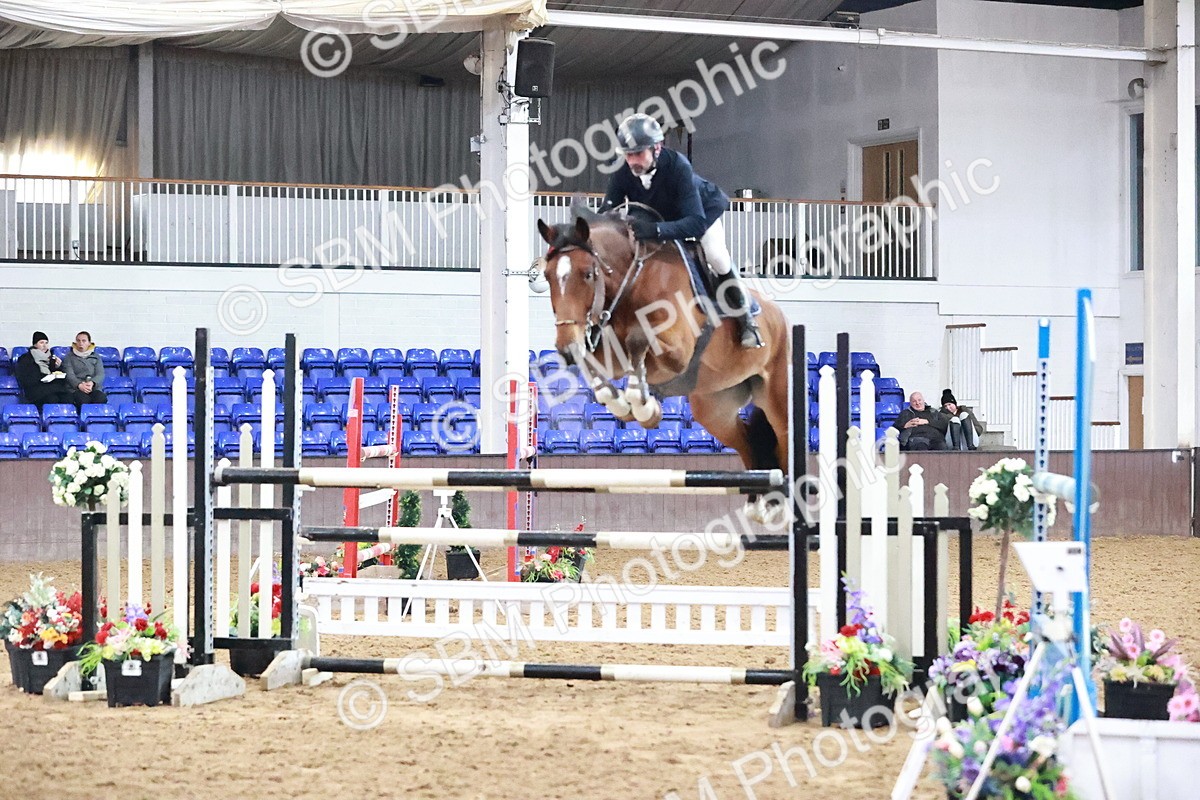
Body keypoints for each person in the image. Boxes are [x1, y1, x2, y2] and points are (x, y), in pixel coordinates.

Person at [601, 113, 763, 349]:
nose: (632, 160)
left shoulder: (678, 167)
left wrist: (655, 230)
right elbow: (608, 209)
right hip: (662, 219)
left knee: (716, 256)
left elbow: (695, 223)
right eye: (628, 154)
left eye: (638, 153)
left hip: (701, 213)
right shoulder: (624, 172)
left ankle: (746, 319)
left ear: (657, 148)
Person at [14, 331, 74, 410]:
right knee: (52, 399)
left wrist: (58, 367)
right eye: (41, 342)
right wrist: (44, 378)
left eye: (46, 343)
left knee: (68, 398)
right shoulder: (26, 359)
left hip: (53, 388)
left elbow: (60, 376)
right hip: (36, 390)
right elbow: (25, 379)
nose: (44, 345)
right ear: (35, 344)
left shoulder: (52, 358)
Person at [63, 330, 108, 408]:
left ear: (89, 343)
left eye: (84, 341)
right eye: (78, 341)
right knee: (83, 400)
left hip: (93, 388)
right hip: (76, 389)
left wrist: (92, 383)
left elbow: (100, 374)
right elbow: (69, 375)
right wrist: (79, 385)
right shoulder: (69, 357)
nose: (81, 343)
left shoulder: (96, 357)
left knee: (101, 398)